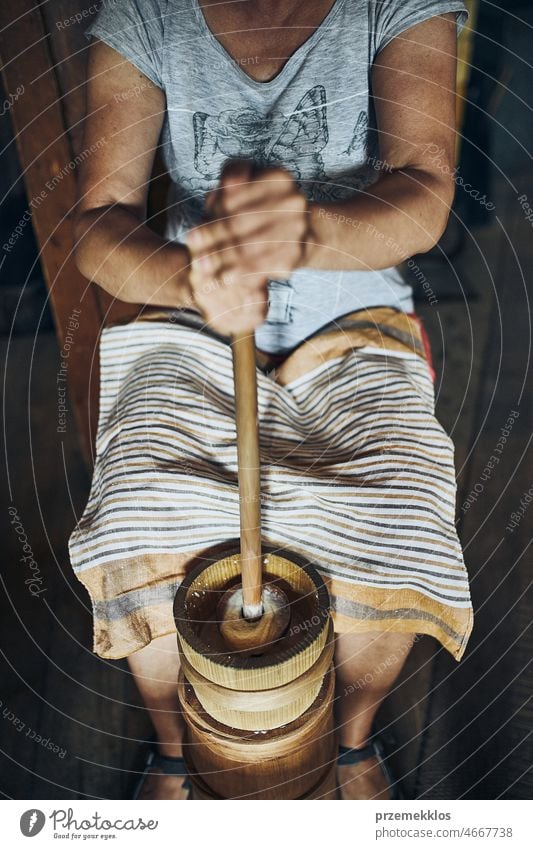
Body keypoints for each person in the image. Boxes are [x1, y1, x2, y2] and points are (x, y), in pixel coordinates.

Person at [70, 0, 474, 800]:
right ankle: (178, 745)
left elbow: (424, 194)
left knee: (396, 509)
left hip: (356, 311)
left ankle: (351, 742)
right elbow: (95, 222)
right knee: (139, 510)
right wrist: (190, 277)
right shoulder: (146, 15)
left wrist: (307, 235)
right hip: (196, 312)